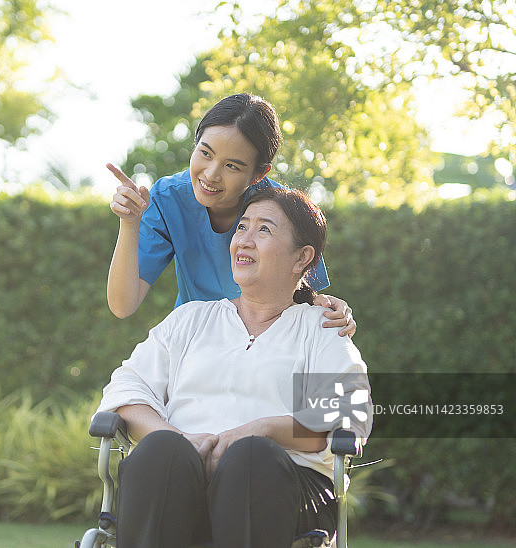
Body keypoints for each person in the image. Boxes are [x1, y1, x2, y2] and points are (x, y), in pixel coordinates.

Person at [96, 187, 372, 547]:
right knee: (161, 451)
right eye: (242, 227)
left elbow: (347, 412)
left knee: (252, 457)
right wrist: (180, 441)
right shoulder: (191, 320)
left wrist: (263, 430)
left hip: (283, 486)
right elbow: (126, 391)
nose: (244, 240)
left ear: (302, 257)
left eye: (264, 229)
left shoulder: (320, 329)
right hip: (178, 481)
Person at [106, 92, 356, 337]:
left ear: (259, 174)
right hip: (196, 339)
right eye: (205, 153)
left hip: (265, 342)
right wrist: (129, 223)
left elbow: (304, 294)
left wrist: (330, 309)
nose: (211, 174)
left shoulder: (285, 211)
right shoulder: (167, 198)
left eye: (232, 166)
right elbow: (122, 305)